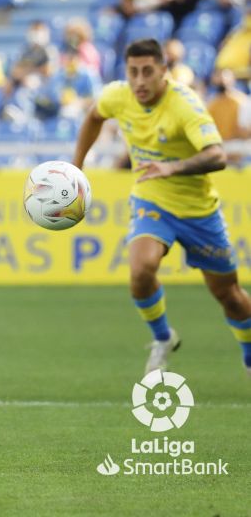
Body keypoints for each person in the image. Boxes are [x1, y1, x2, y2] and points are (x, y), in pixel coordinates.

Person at [72, 38, 251, 376]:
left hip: (199, 210)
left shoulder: (185, 104)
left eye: (147, 72)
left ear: (164, 73)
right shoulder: (117, 95)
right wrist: (76, 167)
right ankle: (163, 337)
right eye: (133, 72)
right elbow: (94, 116)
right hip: (151, 198)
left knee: (228, 293)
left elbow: (217, 155)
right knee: (140, 270)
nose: (139, 81)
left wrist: (173, 167)